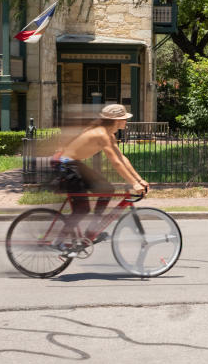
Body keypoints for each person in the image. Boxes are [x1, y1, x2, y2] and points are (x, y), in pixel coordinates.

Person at [52, 104, 149, 255]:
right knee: (82, 208)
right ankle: (58, 241)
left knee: (107, 189)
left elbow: (122, 158)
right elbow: (115, 163)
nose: (126, 122)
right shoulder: (101, 134)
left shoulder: (108, 135)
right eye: (124, 119)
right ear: (117, 121)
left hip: (74, 164)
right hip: (65, 165)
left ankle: (92, 231)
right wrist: (134, 183)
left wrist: (139, 180)